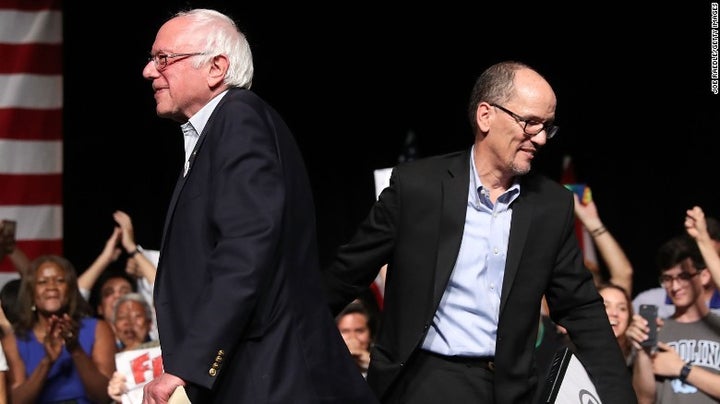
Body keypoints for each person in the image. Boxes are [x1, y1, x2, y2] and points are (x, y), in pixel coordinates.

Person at [322, 60, 636, 403]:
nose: (542, 138)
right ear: (485, 115)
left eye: (547, 126)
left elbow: (581, 308)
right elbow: (346, 274)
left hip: (509, 390)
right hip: (422, 383)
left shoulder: (551, 206)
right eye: (530, 123)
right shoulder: (418, 188)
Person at [140, 8, 377, 404]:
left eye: (164, 58)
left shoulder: (238, 118)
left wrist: (187, 365)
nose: (150, 71)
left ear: (216, 67)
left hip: (268, 376)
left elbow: (245, 249)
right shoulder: (217, 131)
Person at [9, 254, 116, 403]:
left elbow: (104, 397)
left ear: (71, 290)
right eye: (42, 282)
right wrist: (47, 361)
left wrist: (76, 350)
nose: (51, 287)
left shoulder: (98, 328)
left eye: (60, 281)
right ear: (31, 293)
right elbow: (14, 401)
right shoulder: (15, 338)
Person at [627, 234, 720, 402]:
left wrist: (681, 369)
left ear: (704, 276)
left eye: (683, 277)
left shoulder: (717, 326)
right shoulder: (657, 330)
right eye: (667, 279)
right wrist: (642, 352)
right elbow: (643, 399)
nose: (675, 287)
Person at [633, 213, 720, 318]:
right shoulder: (647, 302)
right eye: (700, 257)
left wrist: (702, 239)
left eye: (712, 259)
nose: (706, 265)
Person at [336, 299, 374, 378]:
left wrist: (371, 363)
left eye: (359, 331)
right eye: (345, 331)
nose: (353, 338)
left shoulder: (383, 361)